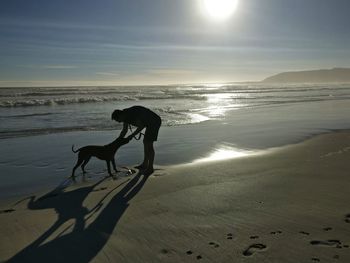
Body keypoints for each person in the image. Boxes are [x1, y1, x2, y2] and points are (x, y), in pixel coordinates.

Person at [111, 106, 161, 176]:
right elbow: (124, 130)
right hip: (148, 122)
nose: (119, 122)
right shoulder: (125, 116)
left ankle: (150, 168)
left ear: (120, 115)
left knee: (148, 144)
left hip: (154, 121)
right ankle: (145, 164)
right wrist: (118, 139)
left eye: (118, 120)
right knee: (145, 142)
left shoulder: (130, 114)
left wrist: (131, 136)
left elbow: (141, 126)